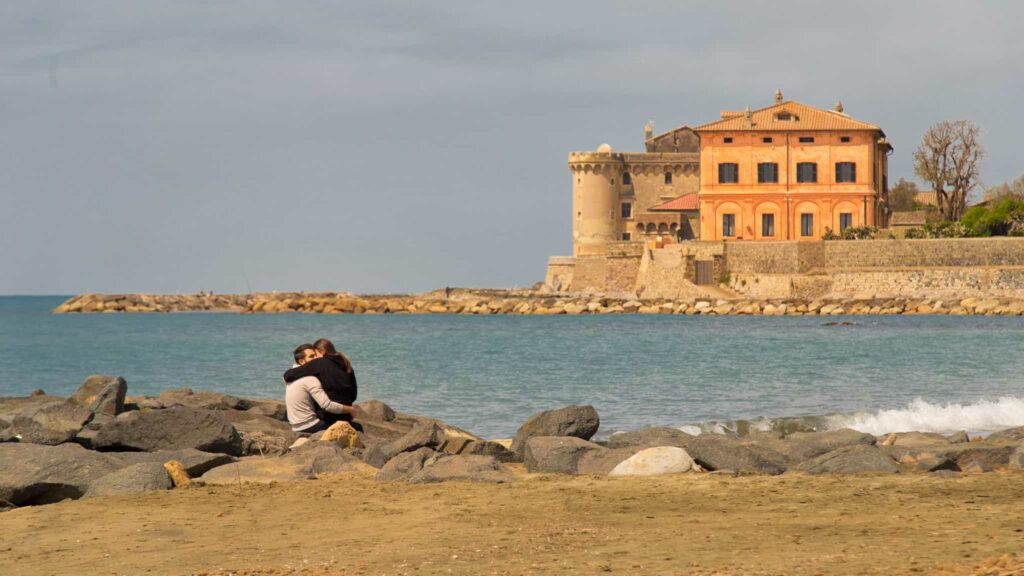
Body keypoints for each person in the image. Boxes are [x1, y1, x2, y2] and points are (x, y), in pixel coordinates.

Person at [282, 338, 360, 429]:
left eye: (316, 354)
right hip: (347, 416)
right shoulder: (347, 364)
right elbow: (353, 395)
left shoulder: (320, 363)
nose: (315, 358)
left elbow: (288, 375)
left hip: (329, 416)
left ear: (322, 352)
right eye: (312, 356)